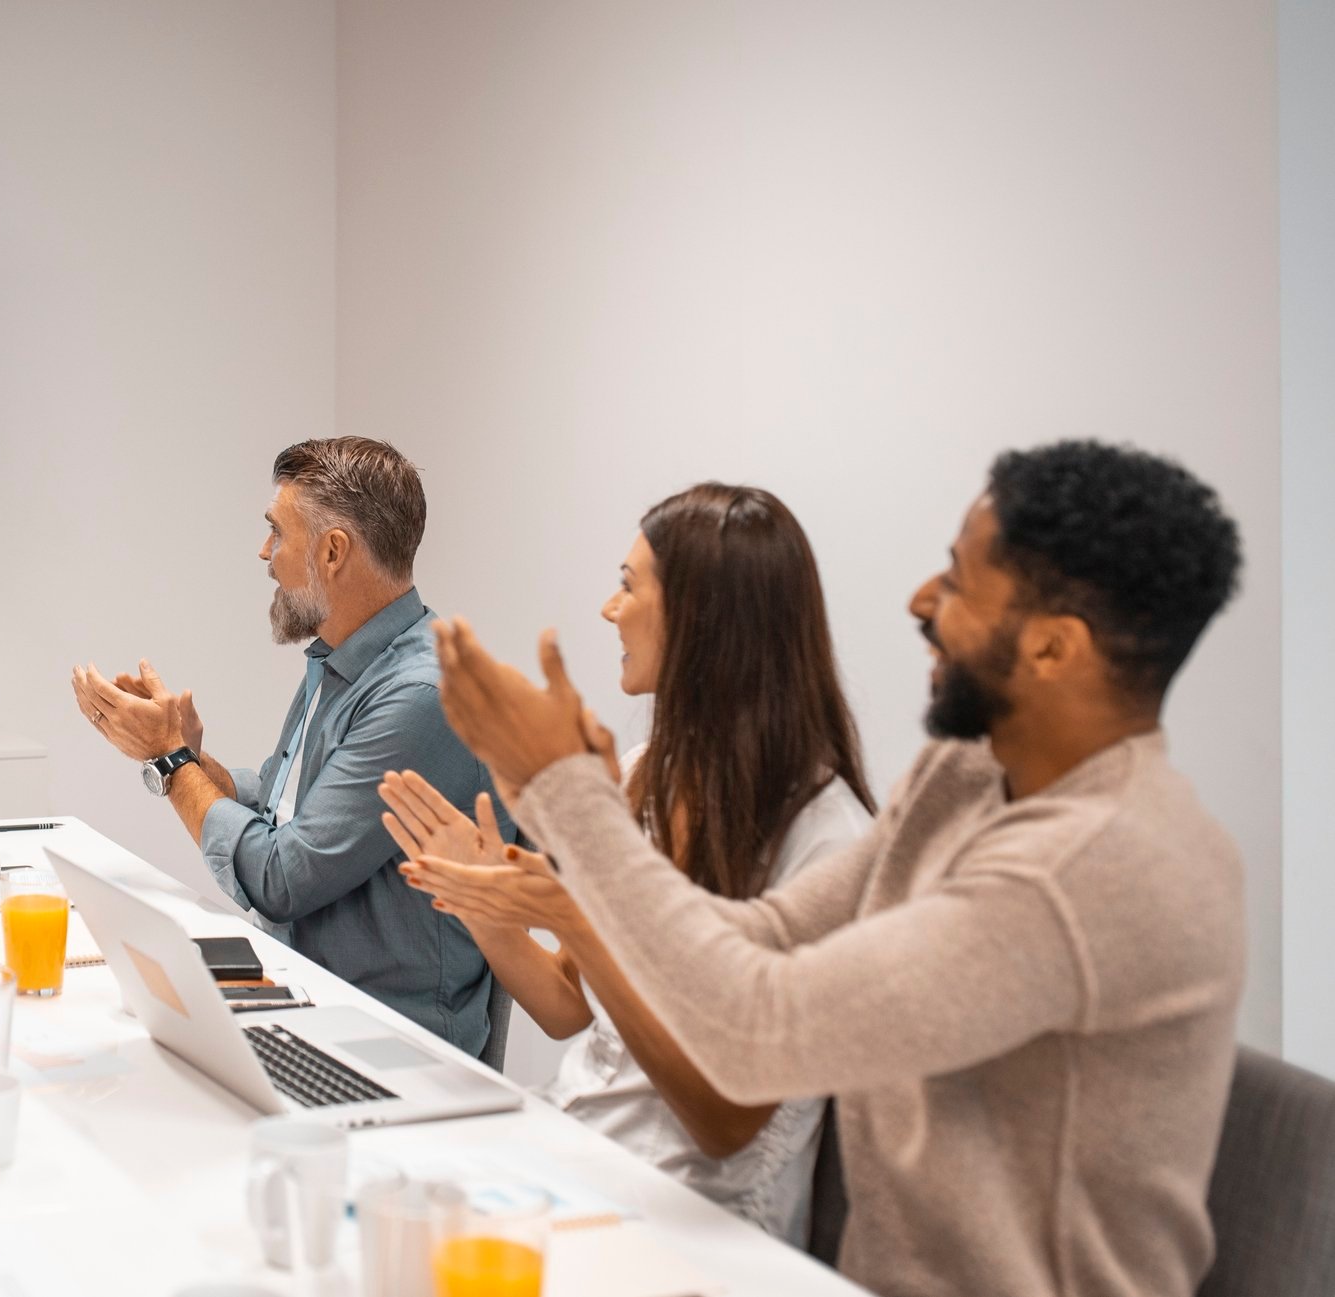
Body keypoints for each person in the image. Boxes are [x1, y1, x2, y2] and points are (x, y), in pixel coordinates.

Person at [419, 441, 1245, 1297]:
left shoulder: (1090, 866)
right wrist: (574, 831)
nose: (918, 599)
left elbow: (751, 1035)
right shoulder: (964, 775)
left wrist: (561, 795)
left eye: (957, 582)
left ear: (1050, 649)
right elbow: (753, 940)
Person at [380, 483, 873, 1243]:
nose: (609, 610)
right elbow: (568, 1008)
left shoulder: (827, 840)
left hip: (694, 1217)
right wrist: (483, 906)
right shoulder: (643, 772)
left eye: (627, 585)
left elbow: (722, 1119)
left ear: (704, 620)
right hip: (572, 1150)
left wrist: (572, 911)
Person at [71, 437, 507, 1055]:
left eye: (277, 533)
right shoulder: (343, 660)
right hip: (303, 996)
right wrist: (180, 755)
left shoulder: (421, 696)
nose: (264, 553)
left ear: (332, 552)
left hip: (387, 1045)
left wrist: (171, 761)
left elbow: (281, 876)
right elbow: (279, 804)